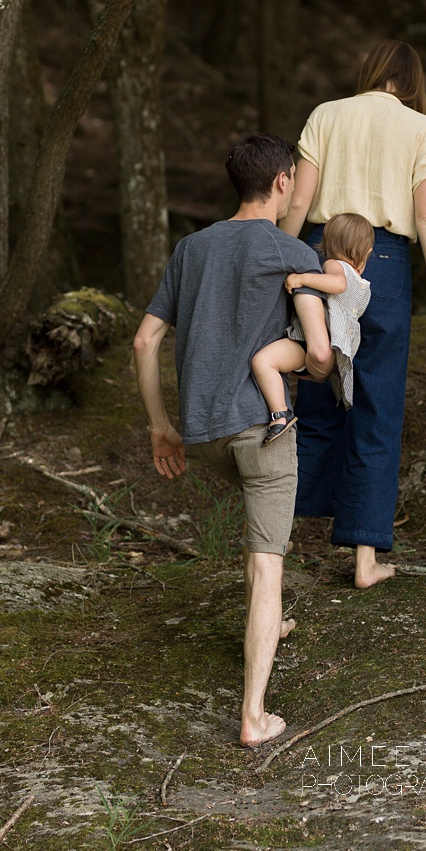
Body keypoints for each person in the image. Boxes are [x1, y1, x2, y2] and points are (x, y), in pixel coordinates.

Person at [132, 133, 334, 746]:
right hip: (260, 430)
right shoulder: (289, 250)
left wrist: (161, 425)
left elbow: (144, 341)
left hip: (203, 433)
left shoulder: (191, 248)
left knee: (257, 527)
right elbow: (321, 359)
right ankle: (253, 715)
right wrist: (310, 364)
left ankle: (271, 624)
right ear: (281, 183)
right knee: (268, 560)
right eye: (296, 178)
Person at [279, 39, 426, 588]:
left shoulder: (326, 115)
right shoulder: (423, 129)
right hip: (384, 263)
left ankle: (277, 545)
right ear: (412, 80)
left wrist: (279, 268)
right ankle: (364, 559)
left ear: (371, 72)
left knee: (308, 392)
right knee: (376, 404)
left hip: (316, 252)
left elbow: (299, 203)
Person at [250, 213, 376, 444]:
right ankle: (282, 414)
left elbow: (337, 284)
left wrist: (301, 279)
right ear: (367, 251)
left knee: (263, 362)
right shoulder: (364, 286)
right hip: (339, 350)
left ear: (327, 245)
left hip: (310, 341)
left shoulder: (333, 265)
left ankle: (279, 414)